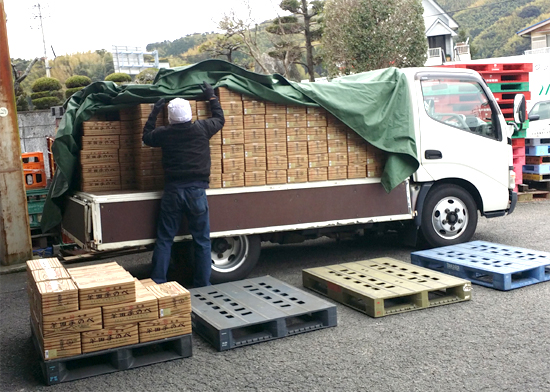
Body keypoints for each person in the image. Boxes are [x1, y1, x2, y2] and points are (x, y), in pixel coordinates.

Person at [142, 82, 224, 287]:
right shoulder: (202, 128)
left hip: (172, 191)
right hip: (196, 191)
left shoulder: (164, 133)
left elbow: (146, 137)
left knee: (165, 238)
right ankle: (202, 284)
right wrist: (211, 96)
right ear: (189, 113)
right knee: (202, 241)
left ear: (170, 118)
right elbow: (220, 119)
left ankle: (158, 281)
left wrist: (154, 111)